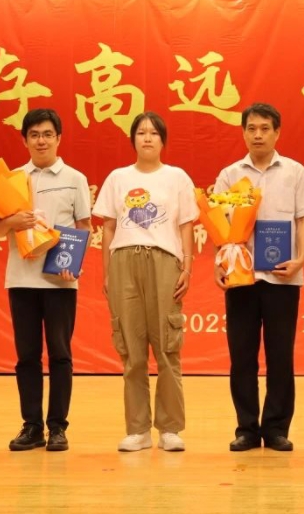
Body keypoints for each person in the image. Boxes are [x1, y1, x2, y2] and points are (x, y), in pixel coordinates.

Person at [94, 112, 197, 453]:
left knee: (167, 346)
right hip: (124, 261)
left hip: (164, 260)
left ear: (163, 140)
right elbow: (109, 227)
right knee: (131, 350)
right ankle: (137, 429)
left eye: (154, 133)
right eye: (141, 133)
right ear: (133, 140)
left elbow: (186, 224)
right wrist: (108, 271)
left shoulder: (176, 177)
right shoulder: (118, 178)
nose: (148, 138)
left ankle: (170, 428)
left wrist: (187, 266)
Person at [214, 103, 304, 452]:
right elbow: (219, 223)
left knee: (280, 355)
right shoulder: (229, 175)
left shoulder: (295, 172)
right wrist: (220, 262)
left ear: (277, 132)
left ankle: (276, 428)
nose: (258, 135)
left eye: (265, 128)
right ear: (243, 132)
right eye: (252, 128)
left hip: (282, 277)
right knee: (242, 355)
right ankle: (246, 428)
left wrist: (301, 259)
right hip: (241, 277)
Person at [0, 108, 91, 453]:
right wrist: (13, 222)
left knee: (61, 355)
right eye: (34, 135)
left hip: (60, 280)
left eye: (48, 134)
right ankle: (31, 426)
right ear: (24, 140)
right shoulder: (14, 179)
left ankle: (58, 427)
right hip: (21, 280)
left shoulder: (75, 178)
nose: (41, 141)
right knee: (27, 357)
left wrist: (74, 265)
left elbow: (83, 226)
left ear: (59, 138)